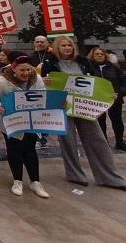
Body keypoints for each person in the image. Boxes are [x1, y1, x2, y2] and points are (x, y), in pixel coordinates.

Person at [42, 36, 126, 190]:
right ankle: (74, 174)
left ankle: (110, 176)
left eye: (70, 45)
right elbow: (45, 84)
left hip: (83, 105)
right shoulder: (49, 62)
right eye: (63, 45)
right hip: (62, 105)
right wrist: (42, 81)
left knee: (97, 139)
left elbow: (95, 82)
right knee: (68, 141)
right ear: (56, 48)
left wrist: (107, 95)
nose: (67, 48)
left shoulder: (83, 62)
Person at [0, 52, 50, 198]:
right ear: (14, 69)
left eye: (28, 69)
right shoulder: (1, 81)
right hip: (10, 120)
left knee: (30, 149)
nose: (26, 73)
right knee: (14, 149)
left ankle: (35, 181)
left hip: (30, 120)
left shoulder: (37, 79)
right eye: (22, 70)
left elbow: (43, 96)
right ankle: (17, 180)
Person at [87, 47, 126, 151]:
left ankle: (119, 141)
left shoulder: (113, 67)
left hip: (114, 98)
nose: (99, 55)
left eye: (101, 54)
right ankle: (103, 143)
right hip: (96, 100)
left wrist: (120, 93)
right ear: (92, 56)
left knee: (117, 121)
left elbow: (123, 81)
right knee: (100, 122)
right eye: (97, 54)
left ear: (105, 55)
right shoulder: (88, 68)